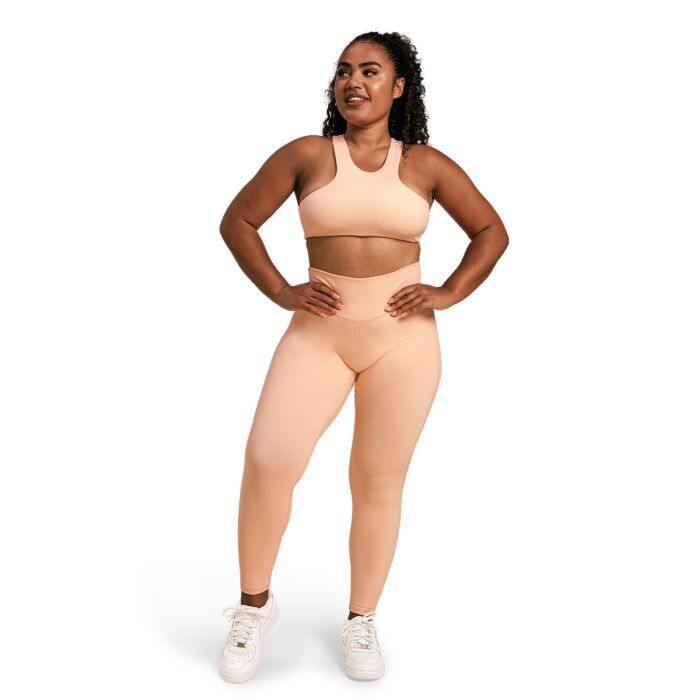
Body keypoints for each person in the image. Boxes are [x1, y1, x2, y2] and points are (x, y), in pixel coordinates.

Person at [216, 31, 509, 683]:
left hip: (404, 339)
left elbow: (491, 231)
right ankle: (253, 607)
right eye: (344, 70)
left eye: (370, 71)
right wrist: (280, 289)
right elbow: (238, 221)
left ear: (398, 87)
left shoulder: (426, 165)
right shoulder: (306, 154)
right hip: (318, 333)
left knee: (377, 480)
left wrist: (449, 291)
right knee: (269, 458)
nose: (354, 81)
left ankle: (361, 619)